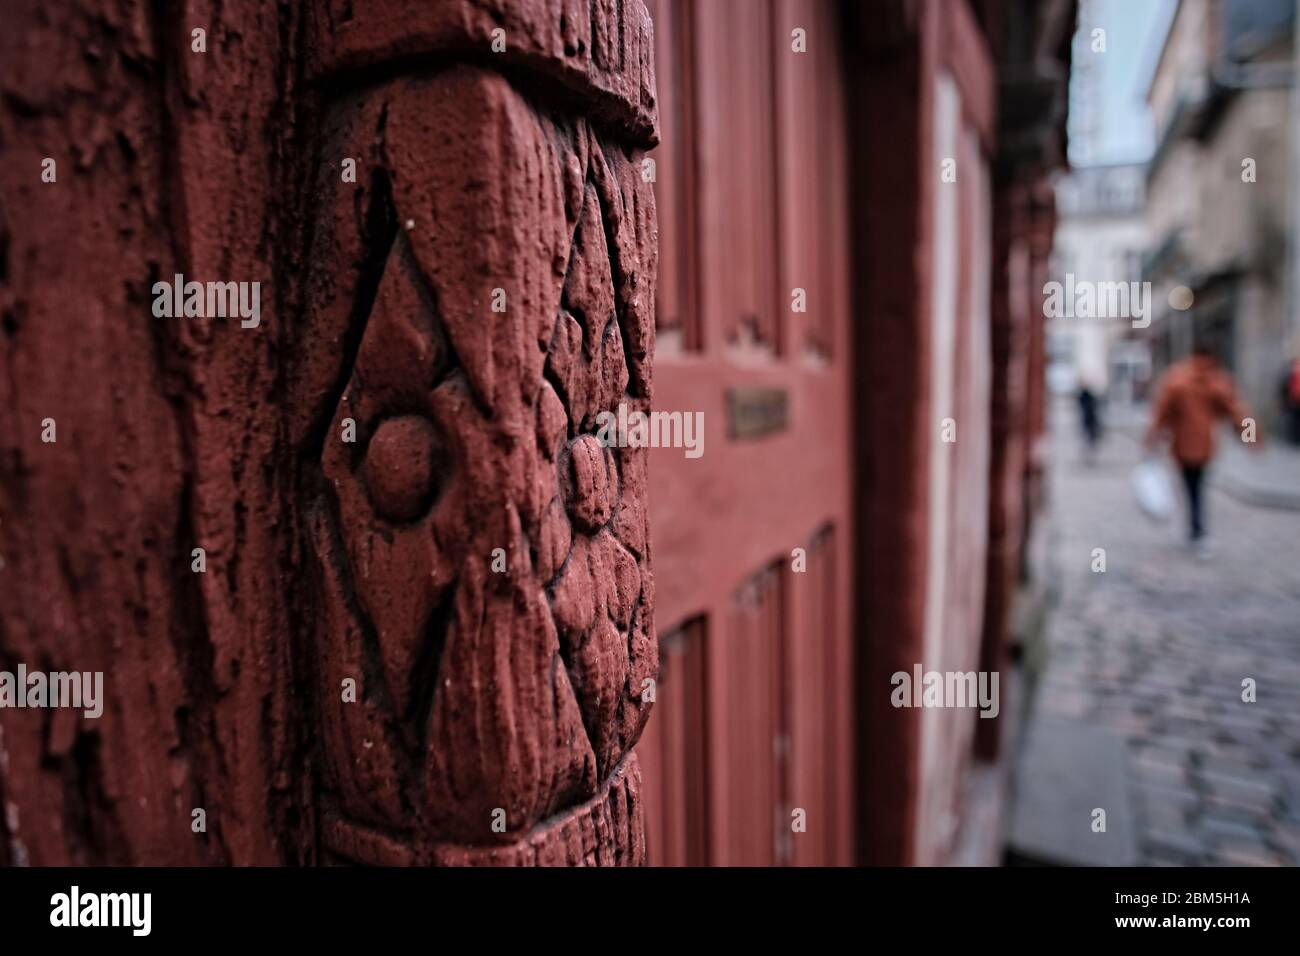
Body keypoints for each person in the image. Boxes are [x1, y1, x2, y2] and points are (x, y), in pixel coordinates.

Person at [1144, 343, 1254, 552]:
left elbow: (1162, 414)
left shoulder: (1177, 378)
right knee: (1197, 488)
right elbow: (1236, 411)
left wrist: (1152, 439)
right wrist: (1250, 437)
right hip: (1205, 446)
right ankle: (1197, 530)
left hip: (1183, 446)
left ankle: (1195, 530)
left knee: (1191, 487)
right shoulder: (1216, 380)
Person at [1077, 383, 1103, 464]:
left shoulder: (1085, 398)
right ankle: (1089, 457)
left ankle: (1088, 456)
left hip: (1088, 421)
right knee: (1089, 441)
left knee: (1088, 440)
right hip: (1089, 421)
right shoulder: (1089, 398)